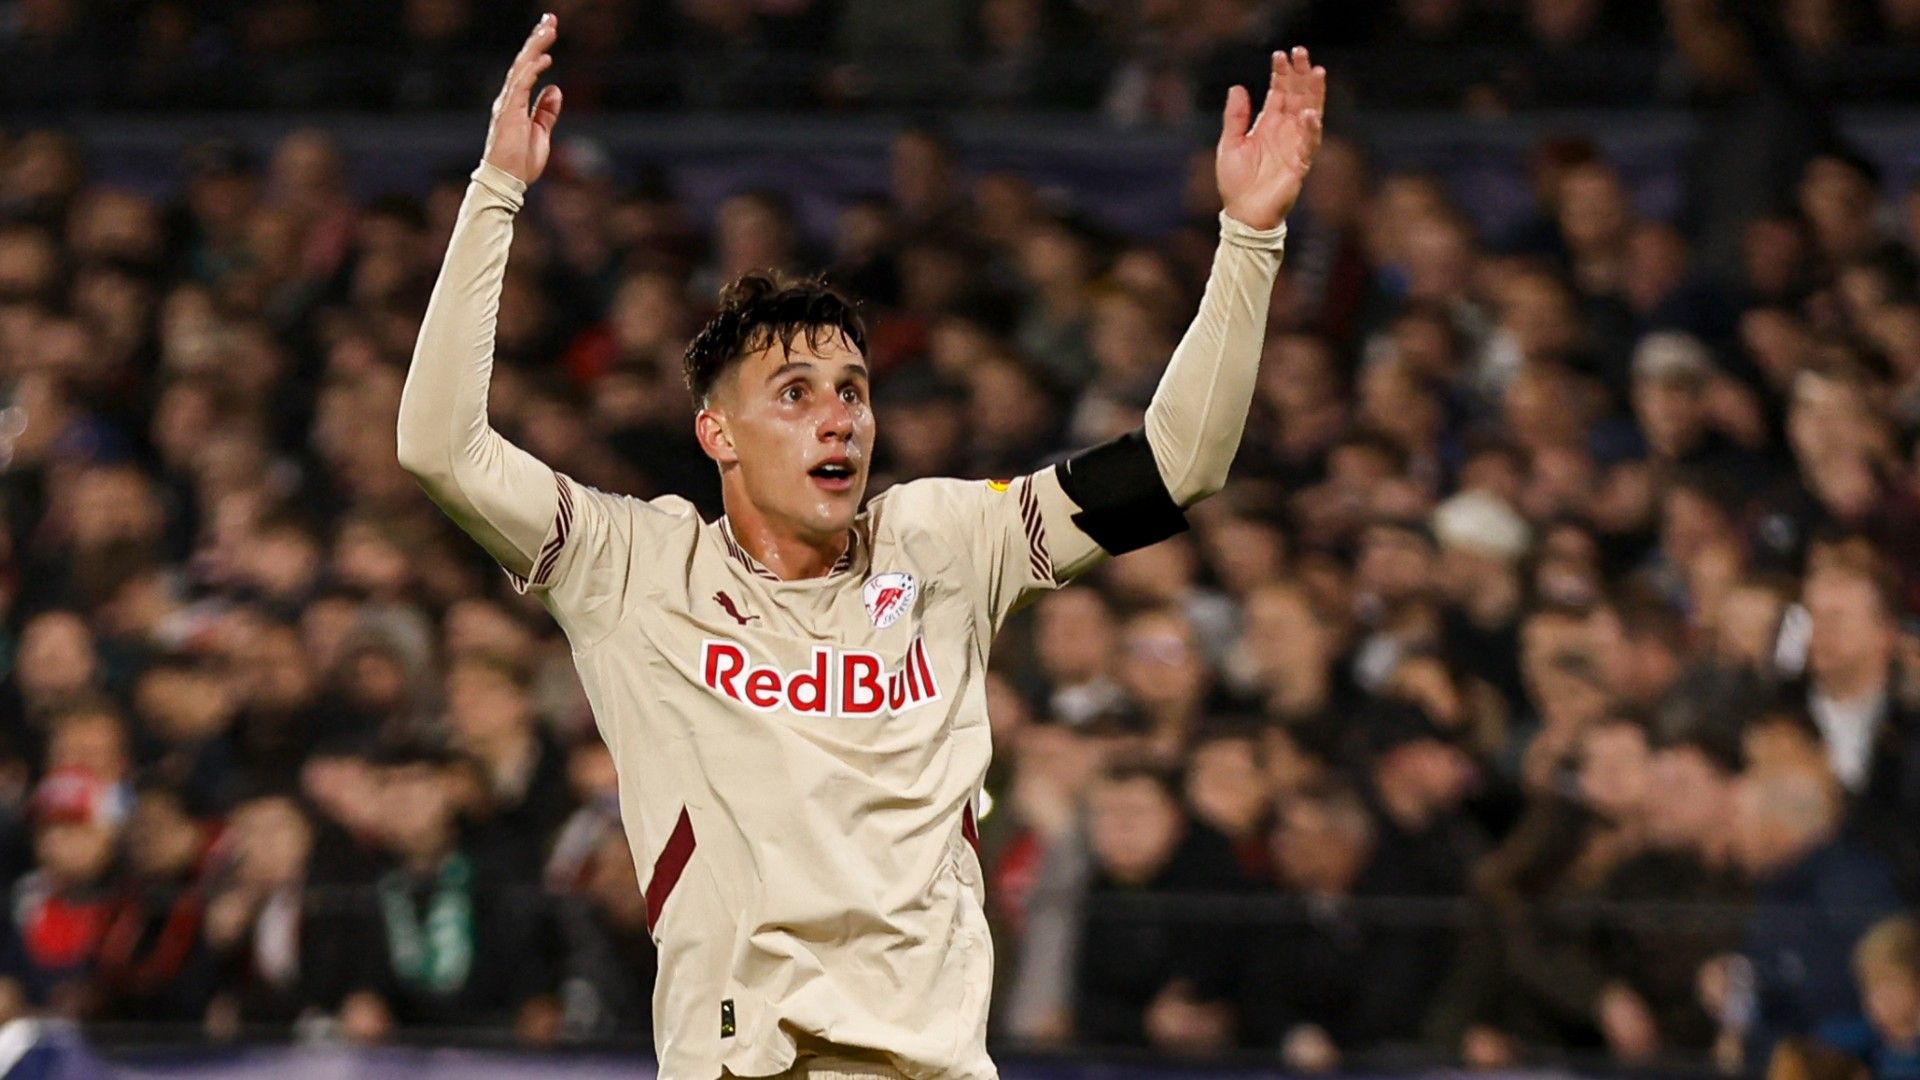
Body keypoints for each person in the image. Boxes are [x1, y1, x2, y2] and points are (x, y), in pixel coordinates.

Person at [396, 12, 1325, 1080]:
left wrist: (1250, 237)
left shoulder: (949, 541)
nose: (838, 418)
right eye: (794, 395)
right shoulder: (637, 569)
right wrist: (496, 192)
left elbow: (1175, 467)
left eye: (853, 391)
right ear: (718, 434)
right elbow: (440, 450)